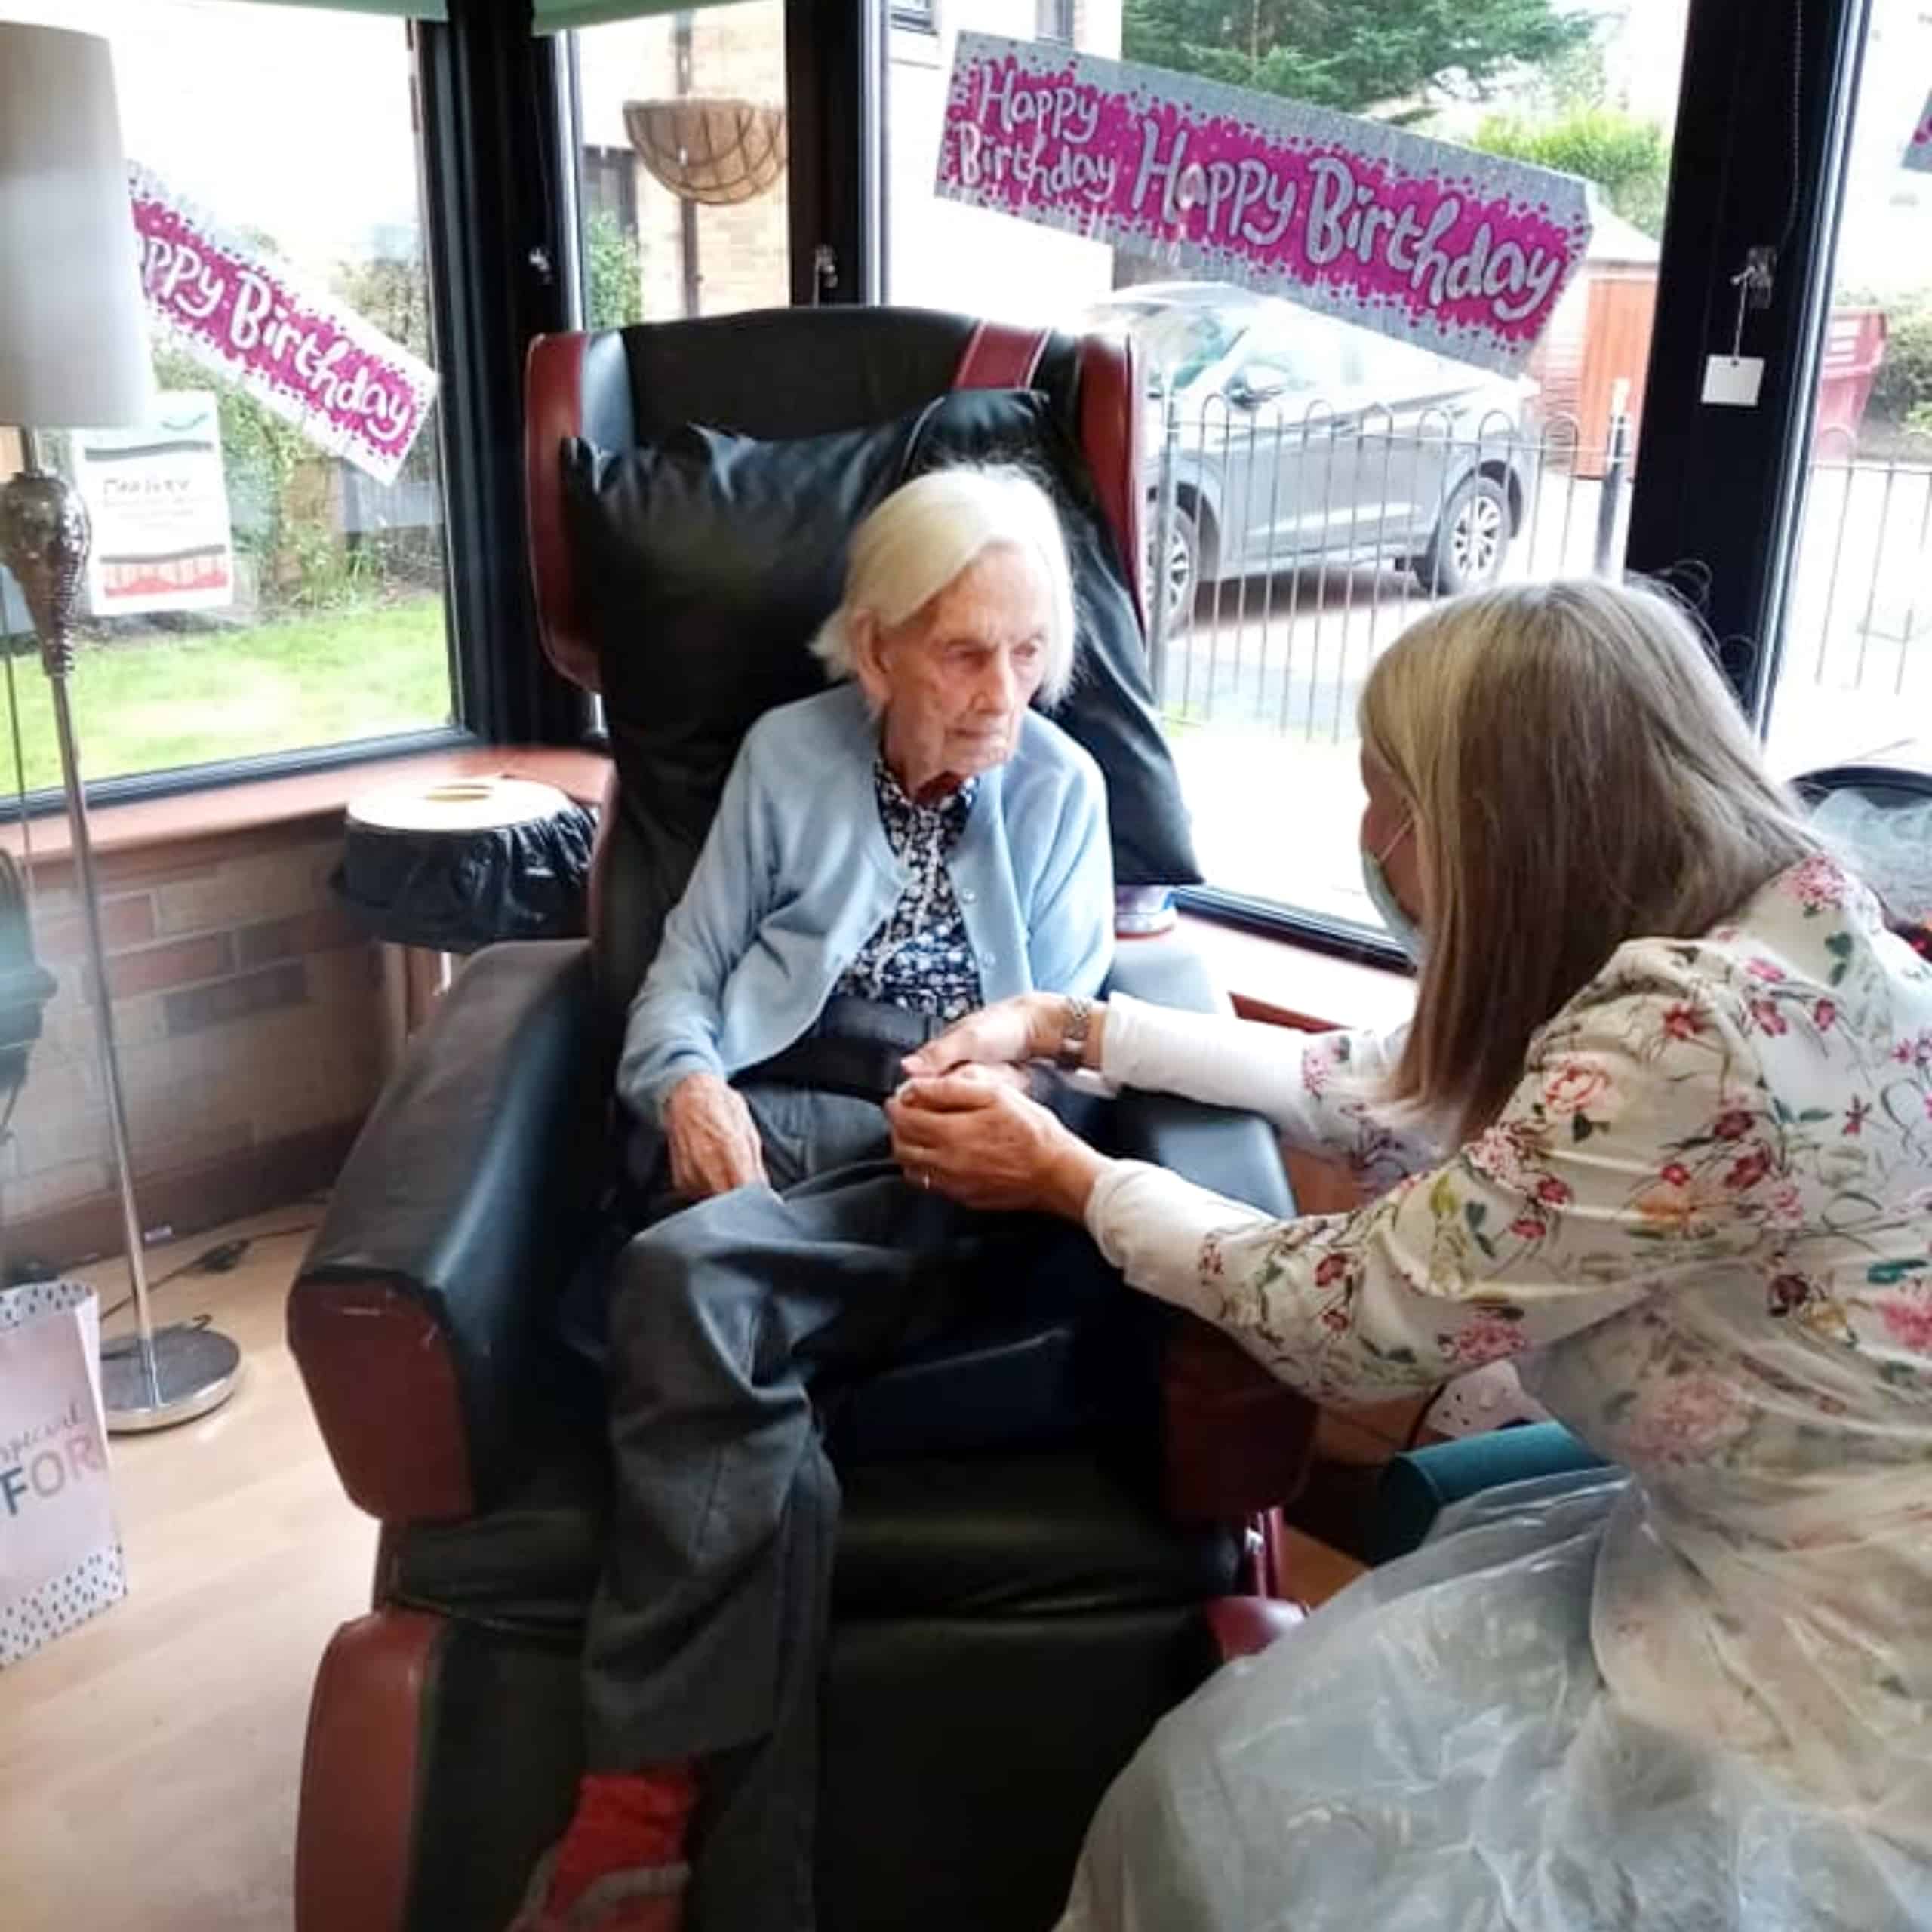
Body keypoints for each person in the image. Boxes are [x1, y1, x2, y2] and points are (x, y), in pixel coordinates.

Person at [887, 578, 1932, 1931]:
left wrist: (1069, 1177)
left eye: (1392, 795)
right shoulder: (1784, 908)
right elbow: (1393, 1083)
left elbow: (1351, 1314)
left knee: (1240, 1821)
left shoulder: (1691, 1041)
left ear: (1504, 823)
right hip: (1732, 1541)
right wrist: (1075, 1029)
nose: (1371, 837)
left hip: (1835, 1664)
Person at [512, 466, 1115, 1932]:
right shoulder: (787, 755)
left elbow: (1073, 1034)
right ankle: (711, 1878)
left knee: (671, 1282)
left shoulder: (1060, 789)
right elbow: (687, 976)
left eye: (1030, 649)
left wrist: (1008, 1109)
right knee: (755, 1431)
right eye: (966, 650)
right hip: (776, 1120)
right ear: (876, 646)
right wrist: (685, 1088)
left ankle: (628, 1800)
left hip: (941, 1153)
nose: (1005, 690)